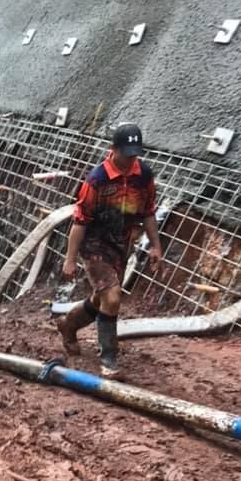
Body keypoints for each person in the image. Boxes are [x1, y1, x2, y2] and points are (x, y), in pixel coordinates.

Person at [57, 124, 162, 378]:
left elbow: (148, 213)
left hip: (121, 244)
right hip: (94, 243)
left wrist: (156, 245)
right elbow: (80, 221)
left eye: (134, 154)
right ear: (113, 149)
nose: (130, 159)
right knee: (113, 297)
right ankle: (108, 359)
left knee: (101, 299)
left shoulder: (143, 176)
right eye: (126, 154)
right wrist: (70, 259)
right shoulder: (97, 180)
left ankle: (68, 325)